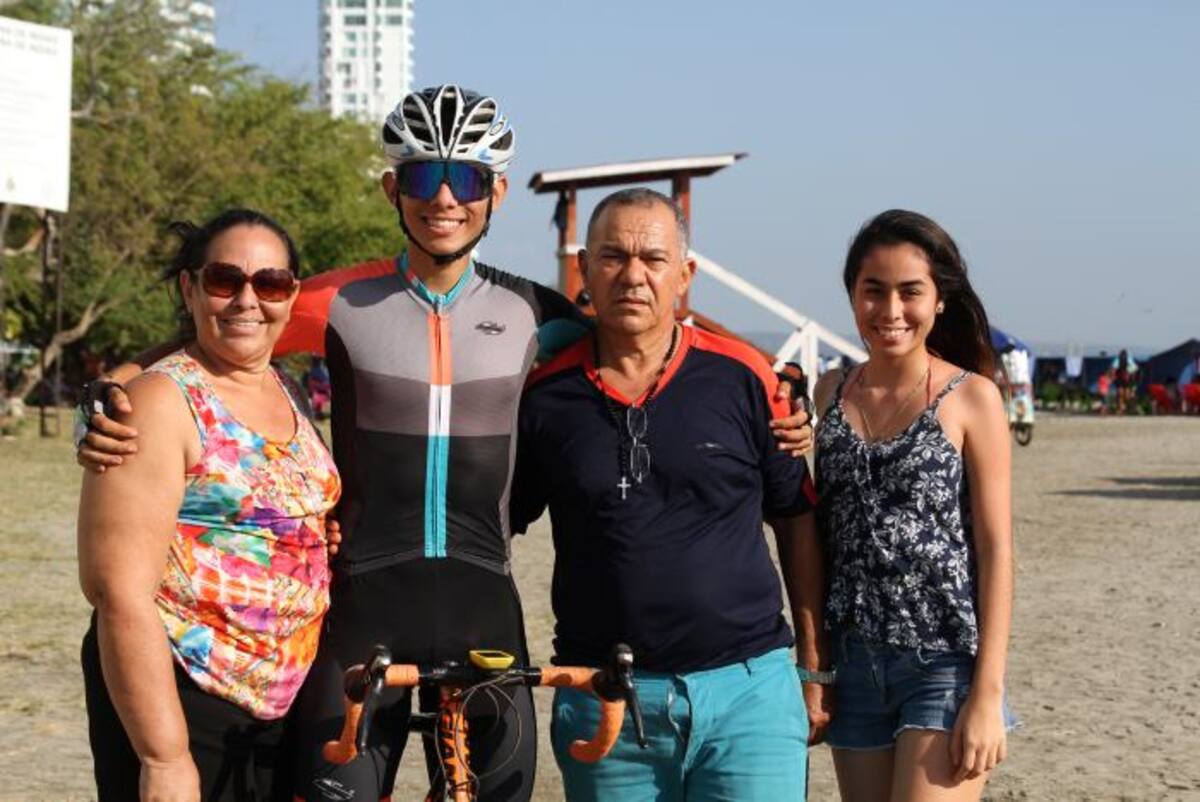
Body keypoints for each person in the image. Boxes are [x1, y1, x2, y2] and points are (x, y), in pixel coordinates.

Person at [75, 85, 818, 800]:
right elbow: (225, 320)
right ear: (391, 189)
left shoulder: (536, 312)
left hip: (481, 600)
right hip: (364, 603)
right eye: (424, 175)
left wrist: (774, 373)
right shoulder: (338, 301)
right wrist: (111, 386)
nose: (443, 198)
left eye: (464, 176)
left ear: (494, 193)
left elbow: (649, 321)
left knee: (507, 786)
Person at [510, 188, 829, 801]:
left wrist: (813, 667)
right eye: (612, 257)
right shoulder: (544, 399)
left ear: (684, 276)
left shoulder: (744, 378)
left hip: (748, 695)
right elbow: (492, 523)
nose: (633, 275)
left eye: (653, 259)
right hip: (603, 698)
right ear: (585, 269)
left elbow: (796, 518)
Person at [77, 209, 341, 801]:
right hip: (186, 693)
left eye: (270, 283)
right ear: (189, 288)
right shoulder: (157, 402)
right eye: (226, 280)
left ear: (291, 294)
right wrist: (163, 758)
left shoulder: (285, 387)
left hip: (279, 704)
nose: (248, 300)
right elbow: (116, 589)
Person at [812, 209, 1016, 801]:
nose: (890, 310)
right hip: (851, 667)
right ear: (852, 294)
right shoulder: (829, 392)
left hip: (944, 664)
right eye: (873, 291)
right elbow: (820, 532)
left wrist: (987, 693)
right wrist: (819, 669)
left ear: (940, 300)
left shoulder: (971, 398)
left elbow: (997, 549)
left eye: (910, 292)